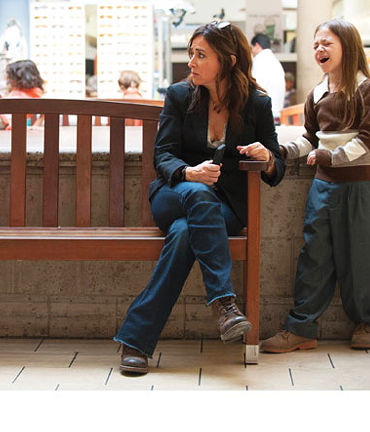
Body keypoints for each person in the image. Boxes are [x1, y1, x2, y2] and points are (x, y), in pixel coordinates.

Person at [114, 21, 285, 375]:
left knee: (184, 233)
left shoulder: (257, 103)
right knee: (196, 194)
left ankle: (136, 340)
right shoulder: (179, 95)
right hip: (173, 193)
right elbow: (162, 156)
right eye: (190, 53)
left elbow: (277, 167)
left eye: (200, 54)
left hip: (226, 208)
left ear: (228, 60)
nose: (191, 61)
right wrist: (189, 173)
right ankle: (223, 302)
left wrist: (266, 158)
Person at [261, 19, 370, 354]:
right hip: (322, 188)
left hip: (357, 187)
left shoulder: (366, 90)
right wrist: (283, 151)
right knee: (313, 256)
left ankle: (367, 322)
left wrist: (332, 157)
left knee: (359, 255)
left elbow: (368, 139)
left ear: (348, 46)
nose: (319, 50)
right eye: (315, 44)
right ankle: (301, 328)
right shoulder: (316, 94)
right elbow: (309, 139)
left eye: (326, 43)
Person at [250, 33, 286, 123]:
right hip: (276, 115)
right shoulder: (275, 61)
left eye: (252, 48)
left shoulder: (259, 60)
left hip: (265, 117)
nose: (252, 52)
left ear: (257, 46)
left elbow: (256, 87)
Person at [0, 59, 44, 129]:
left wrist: (33, 127)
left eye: (11, 77)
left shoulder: (33, 92)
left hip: (1, 121)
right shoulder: (19, 90)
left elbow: (43, 112)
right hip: (1, 120)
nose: (9, 80)